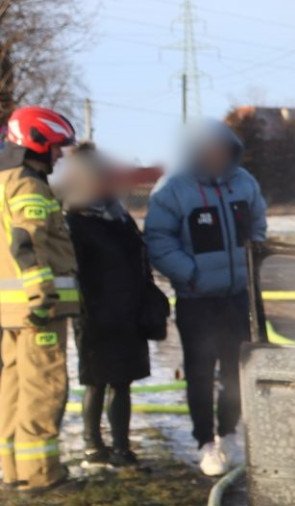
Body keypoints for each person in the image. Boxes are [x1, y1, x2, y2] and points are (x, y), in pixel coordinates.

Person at [144, 120, 267, 476]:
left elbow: (258, 222)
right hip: (197, 301)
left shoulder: (244, 183)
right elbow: (159, 241)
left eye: (222, 150)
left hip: (236, 298)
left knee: (237, 371)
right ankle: (205, 443)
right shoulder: (173, 189)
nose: (216, 157)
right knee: (199, 373)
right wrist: (191, 274)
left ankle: (229, 435)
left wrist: (251, 259)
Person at [55, 143, 153, 469]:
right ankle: (92, 447)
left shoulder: (118, 215)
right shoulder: (74, 221)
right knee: (96, 382)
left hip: (128, 313)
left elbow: (138, 255)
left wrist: (147, 293)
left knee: (122, 382)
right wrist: (87, 309)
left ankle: (122, 449)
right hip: (96, 316)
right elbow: (72, 270)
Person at [0, 106, 81, 493]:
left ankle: (14, 469)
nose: (60, 155)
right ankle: (41, 475)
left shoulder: (5, 180)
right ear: (38, 142)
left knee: (14, 388)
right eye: (56, 147)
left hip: (11, 310)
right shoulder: (29, 186)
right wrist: (41, 298)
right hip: (38, 310)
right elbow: (27, 243)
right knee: (43, 387)